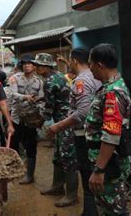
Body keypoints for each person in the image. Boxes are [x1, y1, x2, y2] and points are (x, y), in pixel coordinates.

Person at [48, 48, 101, 215]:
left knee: (84, 173)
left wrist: (59, 126)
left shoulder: (81, 81)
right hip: (94, 133)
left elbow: (82, 112)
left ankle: (89, 211)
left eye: (69, 61)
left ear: (75, 61)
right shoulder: (96, 76)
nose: (68, 64)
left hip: (82, 133)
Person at [86, 44, 131, 215]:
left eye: (90, 64)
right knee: (105, 205)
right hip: (104, 158)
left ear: (100, 65)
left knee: (113, 208)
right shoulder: (107, 87)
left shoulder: (113, 92)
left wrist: (99, 170)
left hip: (109, 161)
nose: (89, 68)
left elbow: (111, 135)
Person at [34, 53, 78, 207]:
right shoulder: (59, 75)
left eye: (39, 65)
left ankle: (72, 195)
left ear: (46, 66)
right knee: (58, 154)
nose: (36, 67)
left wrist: (39, 122)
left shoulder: (49, 82)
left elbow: (49, 109)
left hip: (65, 122)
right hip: (66, 119)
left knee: (67, 156)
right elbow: (58, 95)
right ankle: (57, 186)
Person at [8, 54, 44, 185]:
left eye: (29, 64)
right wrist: (26, 97)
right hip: (16, 118)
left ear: (34, 66)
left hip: (31, 119)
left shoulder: (39, 82)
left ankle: (29, 175)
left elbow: (41, 99)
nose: (26, 66)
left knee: (31, 147)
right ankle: (12, 172)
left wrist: (40, 114)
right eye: (24, 64)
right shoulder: (15, 79)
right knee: (13, 146)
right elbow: (13, 94)